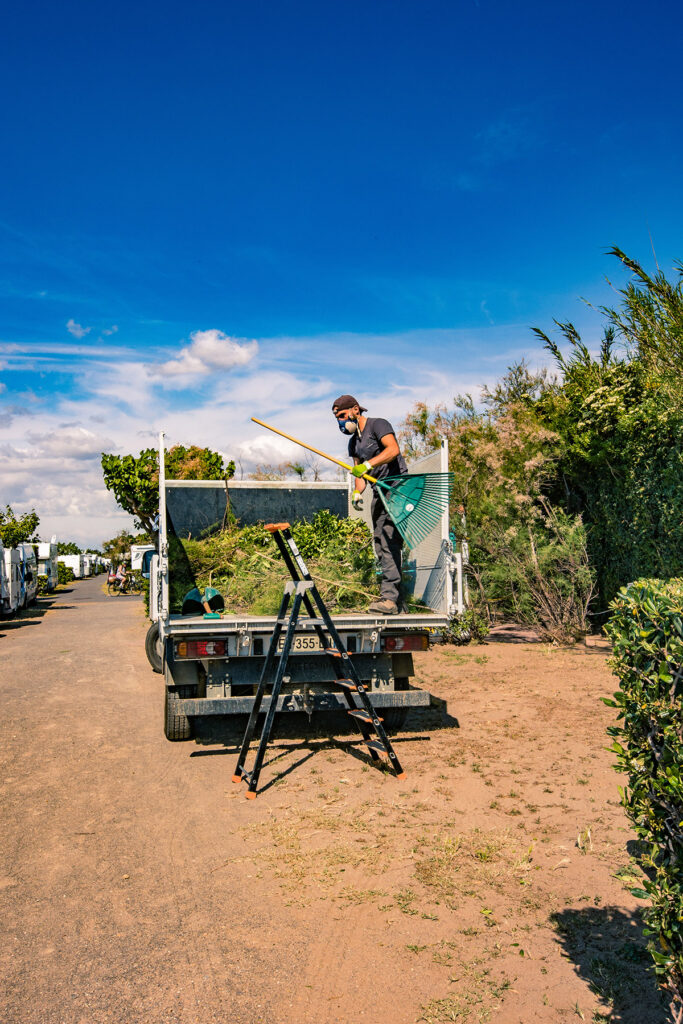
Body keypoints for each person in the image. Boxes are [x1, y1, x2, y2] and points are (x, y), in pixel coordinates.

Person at [332, 394, 408, 615]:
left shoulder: (378, 424)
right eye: (337, 418)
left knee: (388, 540)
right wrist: (357, 491)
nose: (340, 421)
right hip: (378, 492)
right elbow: (359, 473)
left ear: (356, 410)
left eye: (343, 415)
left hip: (397, 488)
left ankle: (390, 599)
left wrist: (368, 464)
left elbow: (393, 450)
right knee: (379, 542)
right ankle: (396, 598)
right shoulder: (353, 442)